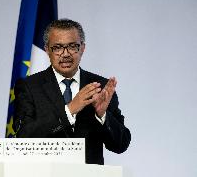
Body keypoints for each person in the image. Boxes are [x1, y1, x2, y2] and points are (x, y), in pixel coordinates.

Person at [13, 19, 131, 165]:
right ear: (47, 50)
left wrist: (102, 116)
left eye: (72, 46)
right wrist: (69, 111)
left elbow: (121, 145)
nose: (65, 54)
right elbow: (23, 138)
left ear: (82, 48)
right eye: (57, 47)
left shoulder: (101, 87)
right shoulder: (29, 87)